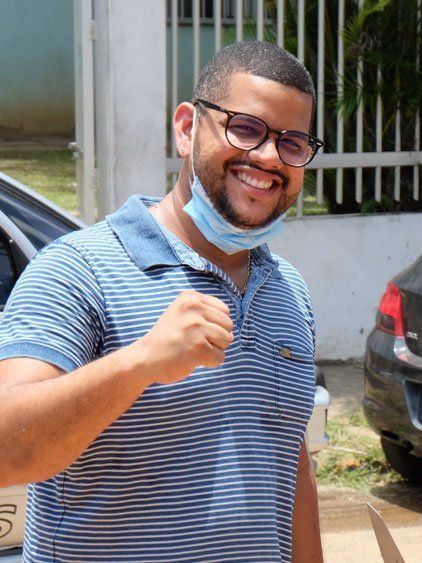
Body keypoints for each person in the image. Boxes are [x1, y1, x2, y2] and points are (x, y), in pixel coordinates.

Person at [0, 41, 323, 562]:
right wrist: (140, 363)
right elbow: (6, 450)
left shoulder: (289, 290)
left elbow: (288, 465)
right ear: (188, 128)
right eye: (246, 129)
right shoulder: (79, 270)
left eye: (292, 142)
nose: (268, 156)